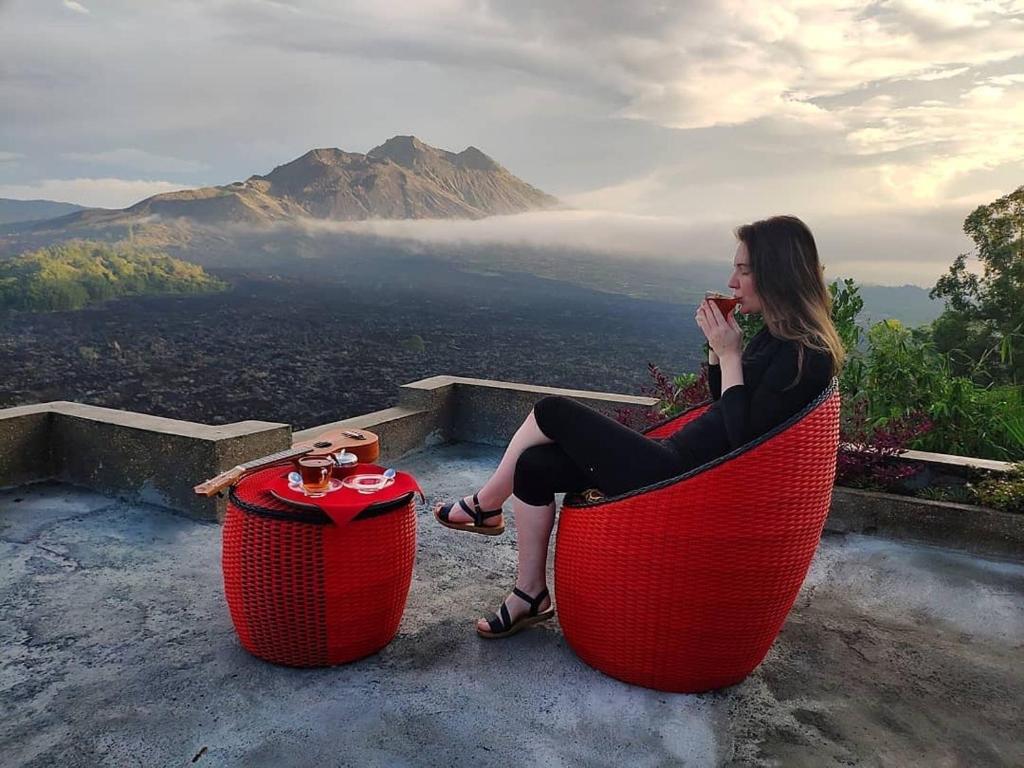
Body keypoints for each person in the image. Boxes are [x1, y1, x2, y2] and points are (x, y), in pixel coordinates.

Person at [434, 215, 844, 639]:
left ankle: (484, 505)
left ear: (778, 272)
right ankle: (530, 594)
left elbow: (743, 443)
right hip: (678, 459)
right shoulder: (780, 337)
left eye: (743, 270)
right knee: (535, 466)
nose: (732, 281)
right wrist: (718, 352)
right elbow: (729, 406)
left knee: (553, 411)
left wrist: (731, 355)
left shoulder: (806, 356)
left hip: (679, 477)